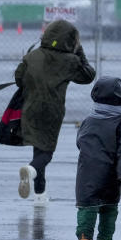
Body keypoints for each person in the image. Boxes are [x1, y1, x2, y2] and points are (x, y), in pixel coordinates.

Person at [16, 19, 97, 205]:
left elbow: (19, 78)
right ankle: (31, 170)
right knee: (46, 152)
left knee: (39, 147)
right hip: (52, 111)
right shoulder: (69, 61)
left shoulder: (33, 55)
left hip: (30, 108)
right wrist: (79, 52)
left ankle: (39, 195)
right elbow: (88, 75)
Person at [75, 76, 121, 240]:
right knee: (109, 209)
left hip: (87, 172)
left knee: (87, 207)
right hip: (111, 173)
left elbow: (80, 141)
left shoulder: (89, 119)